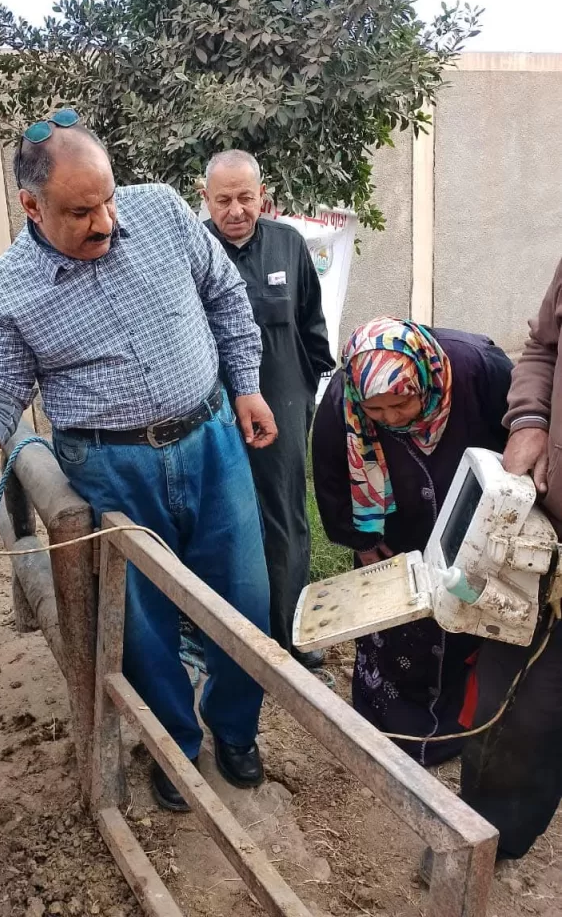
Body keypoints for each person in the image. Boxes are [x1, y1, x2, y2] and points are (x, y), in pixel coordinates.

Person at [0, 111, 278, 812]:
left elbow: (224, 294)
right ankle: (174, 742)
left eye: (108, 198)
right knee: (138, 624)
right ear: (31, 205)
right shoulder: (4, 295)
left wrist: (246, 383)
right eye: (82, 211)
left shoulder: (165, 212)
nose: (107, 221)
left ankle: (236, 729)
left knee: (246, 602)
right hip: (111, 468)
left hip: (211, 441)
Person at [312, 317, 513, 766]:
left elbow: (519, 431)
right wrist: (361, 538)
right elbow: (329, 469)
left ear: (425, 378)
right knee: (396, 626)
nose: (391, 420)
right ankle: (389, 730)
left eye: (401, 404)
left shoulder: (476, 367)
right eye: (376, 412)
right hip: (395, 528)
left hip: (470, 522)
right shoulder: (346, 396)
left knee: (460, 617)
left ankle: (450, 733)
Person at [202, 150, 334, 670]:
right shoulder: (194, 251)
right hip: (212, 406)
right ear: (205, 200)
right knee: (227, 519)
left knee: (285, 518)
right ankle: (236, 637)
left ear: (263, 197)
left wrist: (300, 387)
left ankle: (292, 632)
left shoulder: (289, 244)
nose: (235, 210)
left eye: (245, 198)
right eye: (223, 199)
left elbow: (312, 325)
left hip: (282, 397)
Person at [456, 258, 562, 861]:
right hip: (544, 540)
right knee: (508, 705)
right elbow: (543, 348)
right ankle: (490, 840)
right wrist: (529, 420)